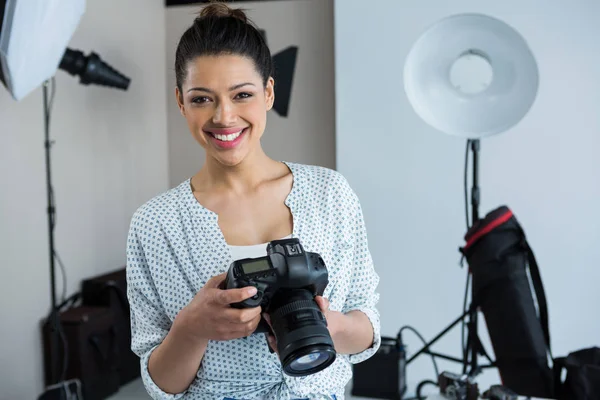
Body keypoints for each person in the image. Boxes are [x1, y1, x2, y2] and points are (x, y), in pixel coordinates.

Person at [125, 2, 381, 399]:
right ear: (180, 102)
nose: (224, 117)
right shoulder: (155, 223)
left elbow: (367, 331)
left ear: (268, 92)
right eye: (201, 99)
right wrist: (191, 328)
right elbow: (161, 384)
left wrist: (324, 325)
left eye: (241, 94)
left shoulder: (330, 193)